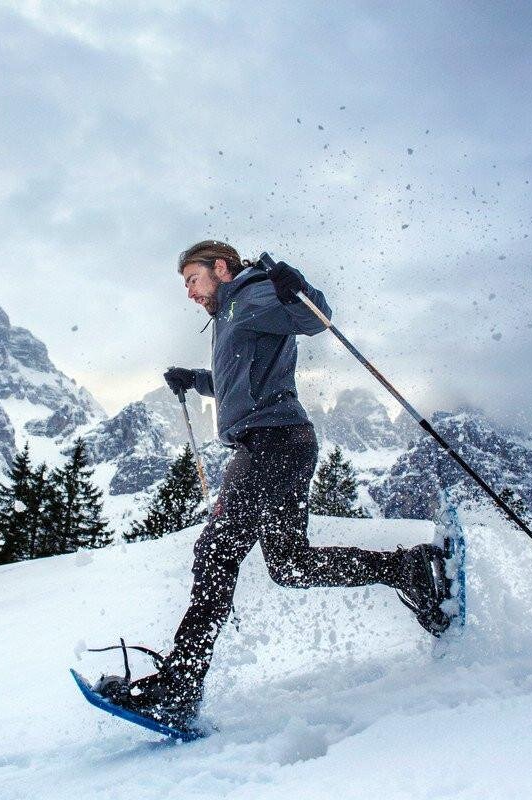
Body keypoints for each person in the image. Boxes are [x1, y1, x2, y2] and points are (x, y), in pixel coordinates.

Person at [110, 240, 450, 731]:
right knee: (291, 566)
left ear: (220, 268)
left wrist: (298, 287)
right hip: (272, 443)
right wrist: (198, 380)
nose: (187, 292)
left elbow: (314, 320)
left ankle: (179, 687)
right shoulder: (231, 312)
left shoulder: (250, 295)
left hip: (273, 443)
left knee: (216, 551)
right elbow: (242, 377)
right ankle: (407, 569)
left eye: (192, 279)